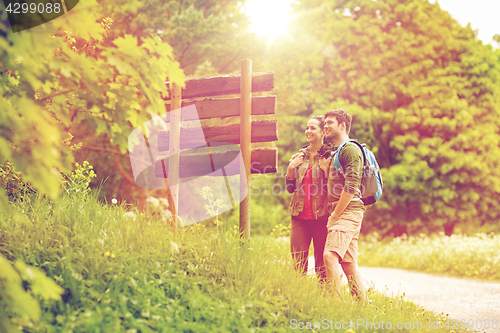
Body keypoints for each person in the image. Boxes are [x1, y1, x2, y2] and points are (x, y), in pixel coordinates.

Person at [321, 109, 367, 300]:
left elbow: (352, 186)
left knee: (330, 256)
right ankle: (363, 308)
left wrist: (335, 215)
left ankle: (333, 307)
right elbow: (338, 184)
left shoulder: (349, 148)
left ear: (342, 126)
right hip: (347, 212)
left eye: (330, 122)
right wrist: (326, 170)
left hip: (347, 212)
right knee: (348, 263)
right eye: (325, 123)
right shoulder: (339, 151)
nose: (326, 126)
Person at [286, 115, 330, 281]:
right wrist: (290, 169)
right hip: (299, 217)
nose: (308, 131)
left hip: (322, 217)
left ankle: (323, 300)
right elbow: (290, 188)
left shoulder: (329, 156)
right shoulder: (299, 157)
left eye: (313, 128)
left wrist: (327, 171)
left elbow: (335, 188)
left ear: (322, 132)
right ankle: (298, 299)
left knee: (322, 267)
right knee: (298, 265)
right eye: (307, 128)